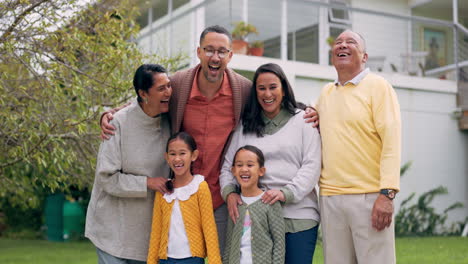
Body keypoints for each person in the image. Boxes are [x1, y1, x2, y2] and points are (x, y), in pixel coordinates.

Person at [99, 25, 319, 253]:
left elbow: (273, 98)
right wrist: (113, 113)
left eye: (222, 51)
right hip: (183, 196)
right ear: (199, 52)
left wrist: (307, 110)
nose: (215, 57)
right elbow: (148, 99)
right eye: (209, 50)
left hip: (222, 198)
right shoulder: (178, 85)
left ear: (230, 56)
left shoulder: (243, 90)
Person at [220, 63, 321, 264]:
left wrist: (286, 193)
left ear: (283, 89)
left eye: (273, 87)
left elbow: (312, 165)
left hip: (297, 216)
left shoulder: (304, 120)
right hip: (257, 217)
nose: (268, 94)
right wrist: (229, 192)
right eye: (261, 88)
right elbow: (227, 166)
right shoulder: (245, 126)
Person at [315, 29, 401, 264]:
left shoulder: (379, 87)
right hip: (331, 198)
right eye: (338, 42)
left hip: (370, 197)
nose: (342, 45)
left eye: (350, 42)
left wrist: (387, 194)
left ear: (364, 57)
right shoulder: (326, 92)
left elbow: (392, 143)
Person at [85, 64, 173, 263]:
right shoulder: (117, 123)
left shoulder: (170, 119)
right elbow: (106, 178)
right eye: (161, 88)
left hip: (147, 232)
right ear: (143, 93)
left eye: (169, 86)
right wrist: (148, 183)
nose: (168, 92)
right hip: (112, 229)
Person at [147, 132, 221, 264]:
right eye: (172, 154)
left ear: (193, 155)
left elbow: (209, 229)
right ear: (167, 157)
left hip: (192, 259)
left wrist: (215, 261)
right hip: (165, 259)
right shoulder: (163, 190)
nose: (177, 159)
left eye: (182, 153)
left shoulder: (200, 187)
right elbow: (156, 230)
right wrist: (151, 261)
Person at [223, 145, 285, 264]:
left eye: (250, 165)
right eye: (239, 165)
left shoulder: (270, 202)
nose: (244, 169)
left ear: (261, 171)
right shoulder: (235, 203)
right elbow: (229, 242)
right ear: (233, 171)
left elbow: (279, 244)